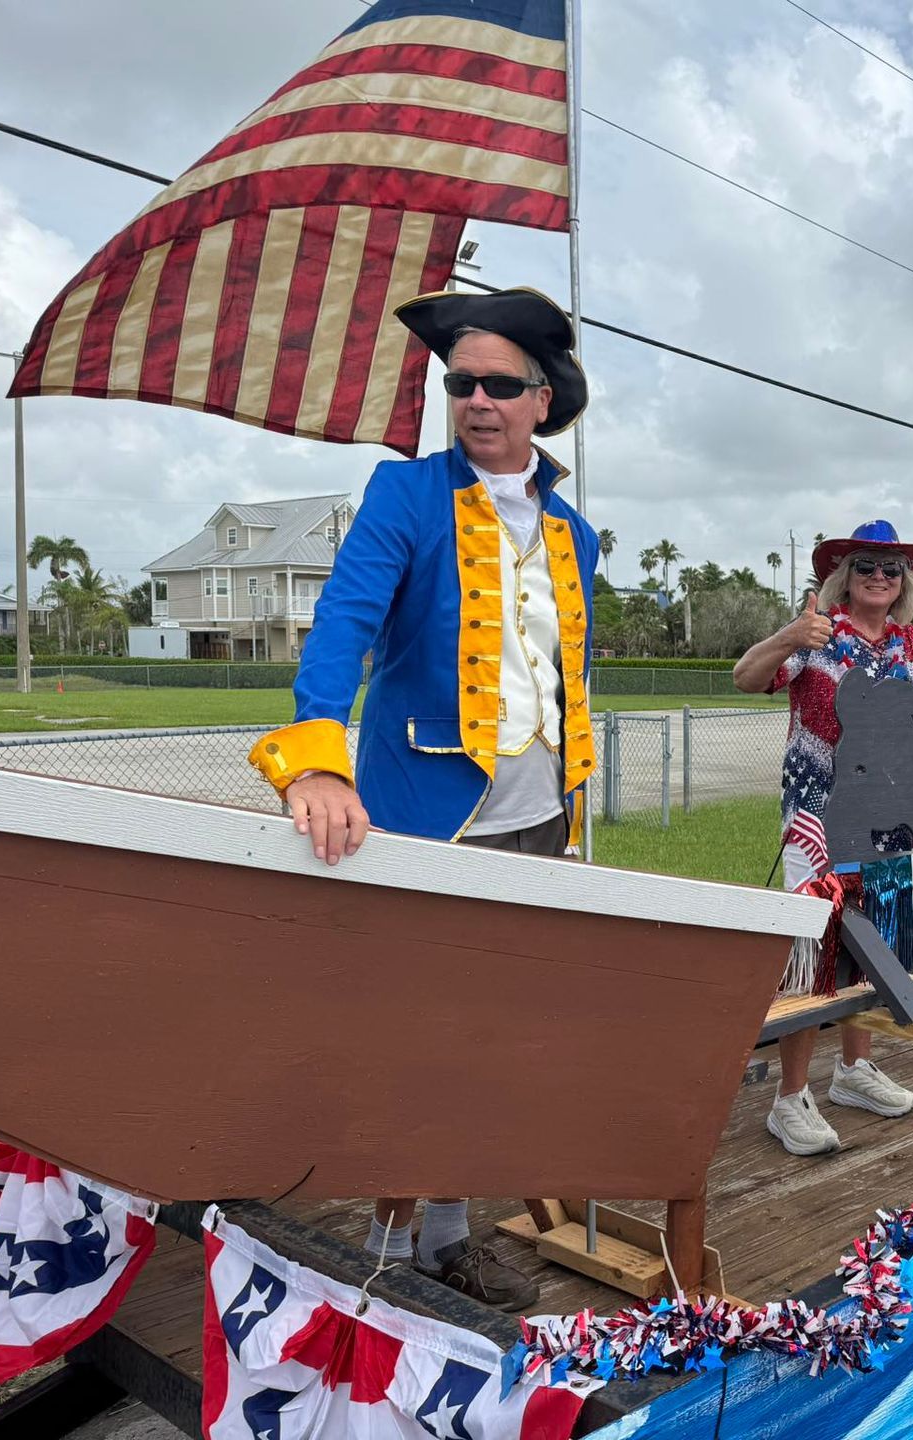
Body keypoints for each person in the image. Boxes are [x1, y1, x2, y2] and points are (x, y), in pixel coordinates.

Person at [246, 286, 598, 1311]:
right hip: (428, 818)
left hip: (538, 824)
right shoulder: (406, 497)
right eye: (461, 383)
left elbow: (561, 683)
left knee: (492, 1040)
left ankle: (443, 1234)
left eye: (499, 383)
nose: (477, 400)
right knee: (417, 1043)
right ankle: (386, 1245)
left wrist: (574, 826)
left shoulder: (572, 529)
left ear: (544, 397)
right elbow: (344, 627)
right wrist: (315, 759)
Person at [733, 521, 913, 1155]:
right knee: (814, 946)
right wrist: (788, 636)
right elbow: (745, 677)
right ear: (842, 578)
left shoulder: (910, 644)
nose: (879, 577)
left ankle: (853, 1070)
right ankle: (789, 1097)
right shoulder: (819, 634)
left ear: (903, 582)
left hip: (889, 813)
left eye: (890, 568)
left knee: (873, 938)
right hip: (817, 812)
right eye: (865, 567)